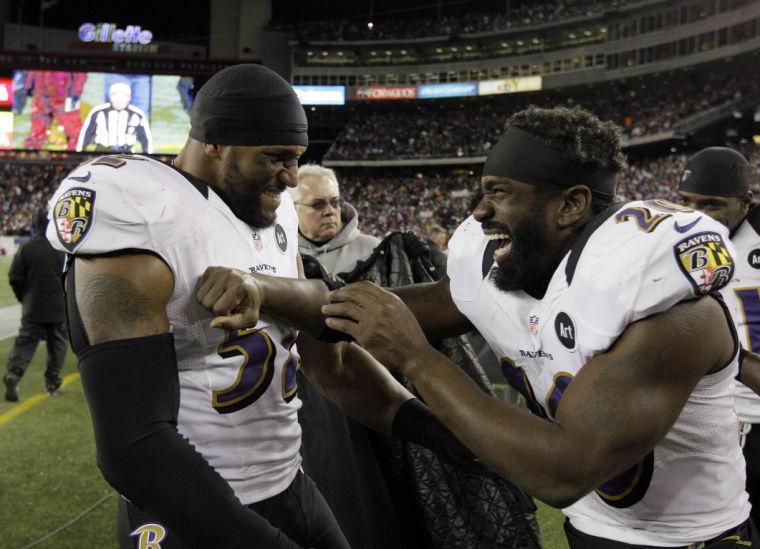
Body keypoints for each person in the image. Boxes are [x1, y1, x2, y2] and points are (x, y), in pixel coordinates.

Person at [204, 106, 755, 547]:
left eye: (500, 192)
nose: (480, 212)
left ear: (571, 205)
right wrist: (262, 289)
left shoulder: (671, 313)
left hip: (692, 539)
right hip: (592, 532)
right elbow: (349, 310)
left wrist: (419, 359)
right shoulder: (504, 274)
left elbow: (564, 473)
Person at [46, 63, 369, 548]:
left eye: (297, 157)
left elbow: (314, 316)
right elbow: (134, 449)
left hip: (288, 480)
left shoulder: (269, 203)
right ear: (214, 142)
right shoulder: (141, 209)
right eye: (276, 157)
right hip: (191, 505)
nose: (291, 176)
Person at [676, 146, 760, 528]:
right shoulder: (674, 244)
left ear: (746, 202)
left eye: (711, 205)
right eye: (686, 202)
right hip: (717, 422)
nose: (696, 216)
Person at [4, 209, 66, 401]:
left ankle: (14, 373)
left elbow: (14, 277)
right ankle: (52, 381)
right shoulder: (62, 250)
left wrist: (25, 297)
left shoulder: (27, 249)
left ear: (34, 226)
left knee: (25, 343)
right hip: (57, 309)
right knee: (57, 346)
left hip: (32, 307)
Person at [293, 164, 380, 275]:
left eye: (335, 202)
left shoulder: (372, 249)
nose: (330, 211)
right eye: (318, 204)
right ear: (293, 209)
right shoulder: (282, 255)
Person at [75, 82, 153, 154]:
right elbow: (86, 134)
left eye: (124, 95)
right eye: (115, 95)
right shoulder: (98, 111)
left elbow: (146, 139)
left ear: (129, 98)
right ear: (110, 97)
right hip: (102, 152)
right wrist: (78, 155)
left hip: (127, 152)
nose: (119, 99)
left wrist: (149, 158)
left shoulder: (138, 114)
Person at [21, 70, 87, 150]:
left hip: (64, 95)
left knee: (72, 127)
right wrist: (29, 84)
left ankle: (76, 151)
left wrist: (76, 92)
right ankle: (31, 150)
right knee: (38, 126)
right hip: (43, 92)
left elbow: (80, 73)